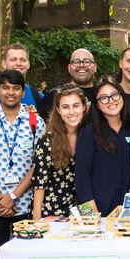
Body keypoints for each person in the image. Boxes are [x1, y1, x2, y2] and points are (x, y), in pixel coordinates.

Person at [0, 69, 46, 259]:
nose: (11, 92)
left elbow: (38, 166)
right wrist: (1, 200)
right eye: (5, 87)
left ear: (23, 92)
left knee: (26, 258)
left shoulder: (35, 123)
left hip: (24, 204)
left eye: (16, 88)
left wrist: (13, 197)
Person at [76, 76, 130, 216]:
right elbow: (82, 180)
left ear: (122, 96)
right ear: (96, 104)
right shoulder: (88, 133)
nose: (111, 101)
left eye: (115, 95)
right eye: (104, 98)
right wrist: (93, 218)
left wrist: (129, 206)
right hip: (98, 213)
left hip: (128, 212)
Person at [31, 84, 88, 219]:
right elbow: (39, 184)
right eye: (65, 107)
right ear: (58, 110)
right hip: (50, 213)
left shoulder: (88, 137)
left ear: (84, 107)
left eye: (75, 105)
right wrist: (38, 221)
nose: (71, 112)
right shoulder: (47, 141)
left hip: (79, 213)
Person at [38, 48, 97, 121]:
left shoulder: (103, 96)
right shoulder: (54, 96)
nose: (81, 65)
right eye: (76, 62)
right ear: (69, 68)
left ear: (95, 67)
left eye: (87, 61)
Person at [0, 43, 43, 110]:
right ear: (4, 64)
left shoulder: (38, 97)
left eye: (22, 60)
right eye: (13, 59)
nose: (18, 63)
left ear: (28, 64)